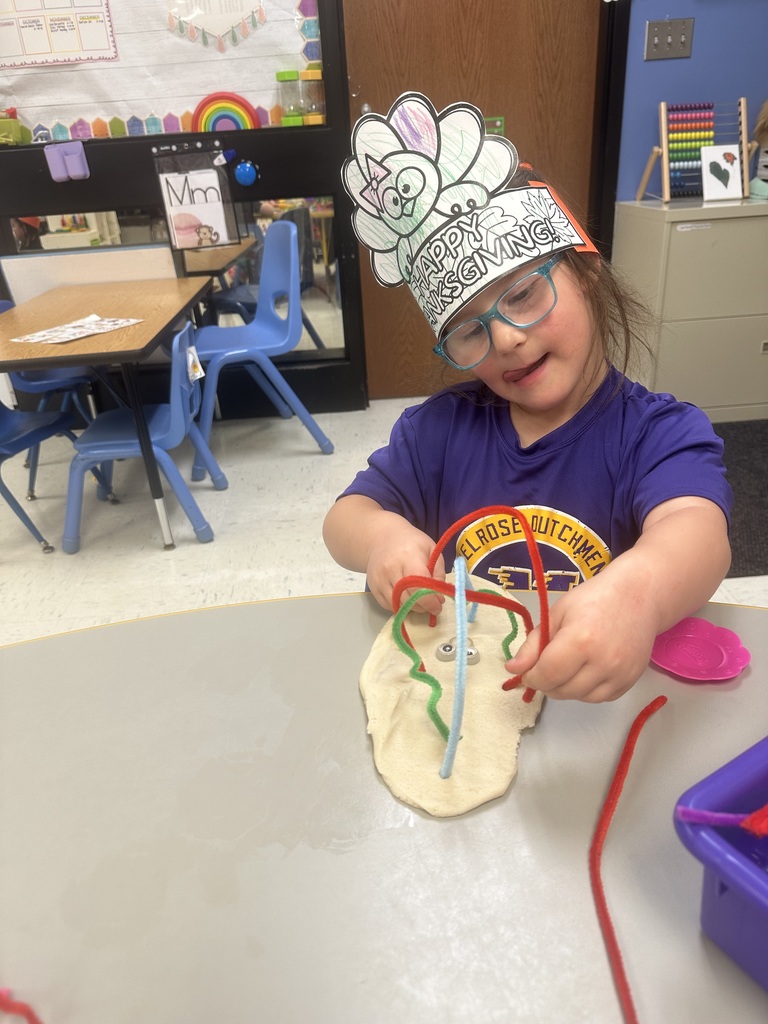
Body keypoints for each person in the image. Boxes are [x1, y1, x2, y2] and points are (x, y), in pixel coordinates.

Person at [322, 91, 732, 704]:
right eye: (468, 329)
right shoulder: (438, 432)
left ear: (586, 274)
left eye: (522, 295)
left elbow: (699, 533)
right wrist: (382, 539)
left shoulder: (659, 434)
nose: (507, 339)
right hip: (468, 695)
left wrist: (638, 592)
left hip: (596, 707)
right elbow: (344, 519)